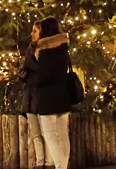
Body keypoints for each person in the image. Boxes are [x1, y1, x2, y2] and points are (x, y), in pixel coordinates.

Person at [35, 17, 73, 169]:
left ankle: (60, 166)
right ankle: (62, 165)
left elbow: (43, 77)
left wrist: (38, 64)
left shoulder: (45, 51)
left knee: (50, 134)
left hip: (48, 98)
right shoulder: (63, 49)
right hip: (63, 96)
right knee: (63, 134)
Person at [19, 22, 52, 168]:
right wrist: (24, 75)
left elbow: (46, 73)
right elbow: (24, 68)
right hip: (30, 96)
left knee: (47, 133)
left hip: (44, 97)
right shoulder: (30, 49)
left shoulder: (50, 49)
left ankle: (49, 163)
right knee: (36, 134)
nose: (32, 34)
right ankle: (40, 163)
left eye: (35, 31)